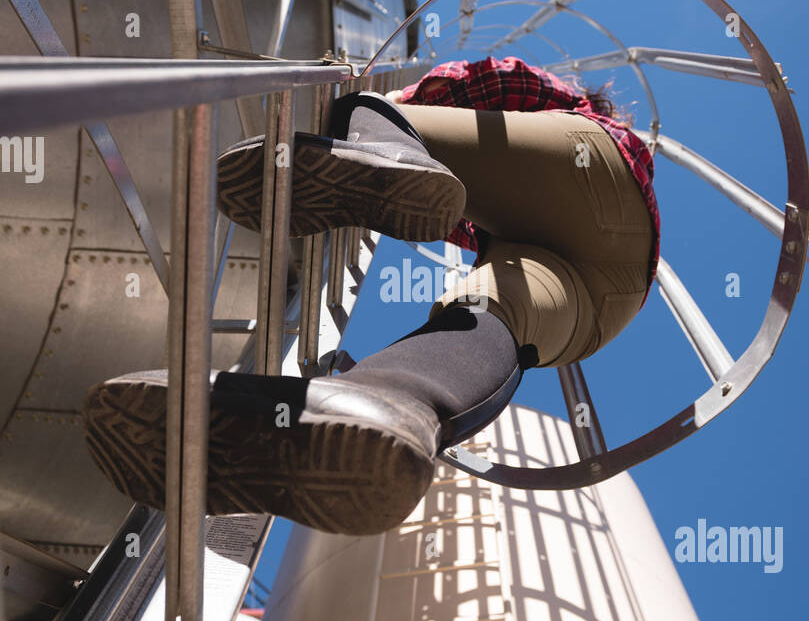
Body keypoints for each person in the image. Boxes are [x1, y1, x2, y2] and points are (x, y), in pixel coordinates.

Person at [83, 56, 660, 536]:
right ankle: (386, 405)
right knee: (488, 314)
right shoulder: (532, 176)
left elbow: (483, 79)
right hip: (608, 303)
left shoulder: (562, 103)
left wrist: (383, 103)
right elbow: (450, 200)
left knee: (366, 109)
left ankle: (384, 144)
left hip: (594, 181)